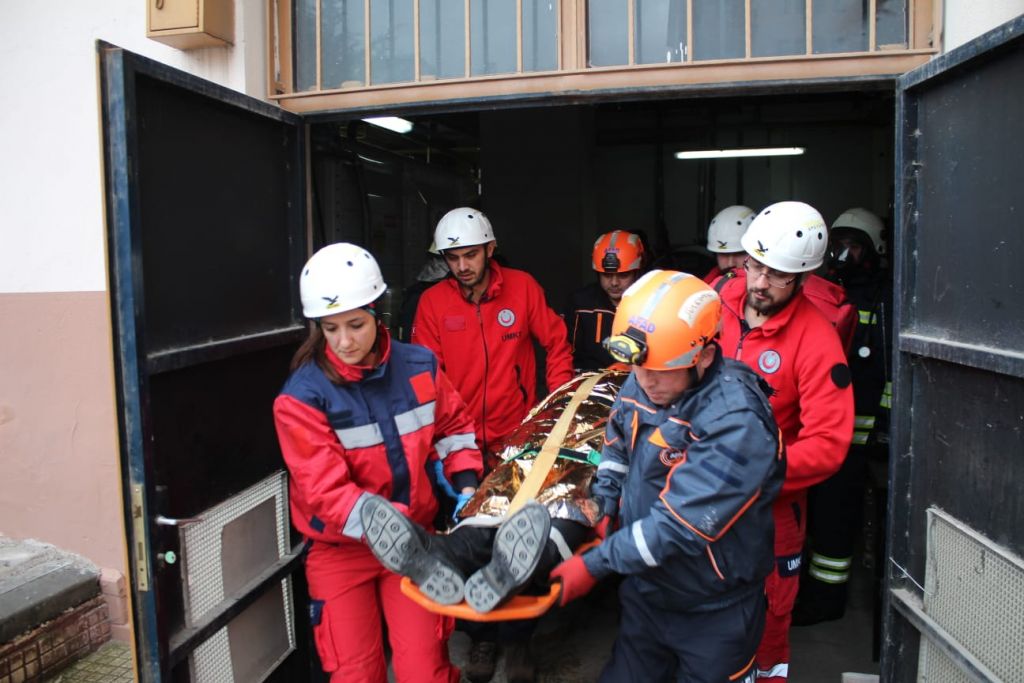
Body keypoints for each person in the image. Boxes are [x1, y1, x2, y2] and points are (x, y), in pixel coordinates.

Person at [548, 270, 786, 683]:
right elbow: (618, 439)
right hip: (647, 598)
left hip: (715, 613)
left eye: (658, 371)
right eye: (638, 368)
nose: (644, 381)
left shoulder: (737, 421)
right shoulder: (648, 376)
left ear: (705, 357)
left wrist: (596, 564)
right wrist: (605, 501)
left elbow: (680, 526)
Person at [273, 243, 484, 682]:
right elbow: (325, 491)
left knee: (425, 669)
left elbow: (455, 428)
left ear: (377, 313)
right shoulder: (302, 397)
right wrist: (396, 526)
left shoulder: (420, 366)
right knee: (355, 673)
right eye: (330, 329)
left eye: (355, 324)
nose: (344, 341)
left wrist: (465, 486)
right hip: (341, 553)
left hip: (419, 547)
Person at [411, 207, 574, 681]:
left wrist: (554, 406)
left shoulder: (523, 288)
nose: (462, 266)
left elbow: (558, 343)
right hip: (460, 445)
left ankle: (518, 643)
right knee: (465, 544)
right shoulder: (432, 305)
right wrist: (440, 442)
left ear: (489, 250)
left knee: (519, 543)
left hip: (516, 442)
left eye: (470, 255)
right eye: (453, 258)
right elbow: (427, 376)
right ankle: (480, 641)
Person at [714, 201, 855, 682]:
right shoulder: (713, 305)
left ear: (800, 277)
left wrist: (758, 475)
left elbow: (829, 444)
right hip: (699, 497)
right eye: (754, 265)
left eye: (775, 275)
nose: (757, 283)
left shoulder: (816, 340)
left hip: (771, 512)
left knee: (767, 631)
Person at [360, 370, 627, 615]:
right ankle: (448, 554)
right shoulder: (619, 386)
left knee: (538, 502)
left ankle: (463, 553)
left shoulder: (632, 388)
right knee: (523, 503)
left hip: (569, 453)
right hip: (540, 448)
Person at [794, 208, 892, 626]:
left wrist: (883, 426)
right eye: (839, 244)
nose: (843, 255)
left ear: (874, 251)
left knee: (836, 520)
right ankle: (796, 590)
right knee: (807, 515)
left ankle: (827, 600)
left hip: (855, 435)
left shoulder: (884, 296)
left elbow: (888, 369)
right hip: (813, 433)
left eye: (854, 247)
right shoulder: (820, 290)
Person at [563, 230, 646, 371]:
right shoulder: (581, 303)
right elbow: (566, 355)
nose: (614, 282)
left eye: (623, 275)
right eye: (606, 275)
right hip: (590, 385)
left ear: (637, 271)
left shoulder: (651, 305)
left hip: (639, 386)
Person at [703, 205, 756, 283]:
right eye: (723, 254)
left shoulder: (762, 289)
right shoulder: (708, 284)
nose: (730, 263)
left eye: (739, 253)